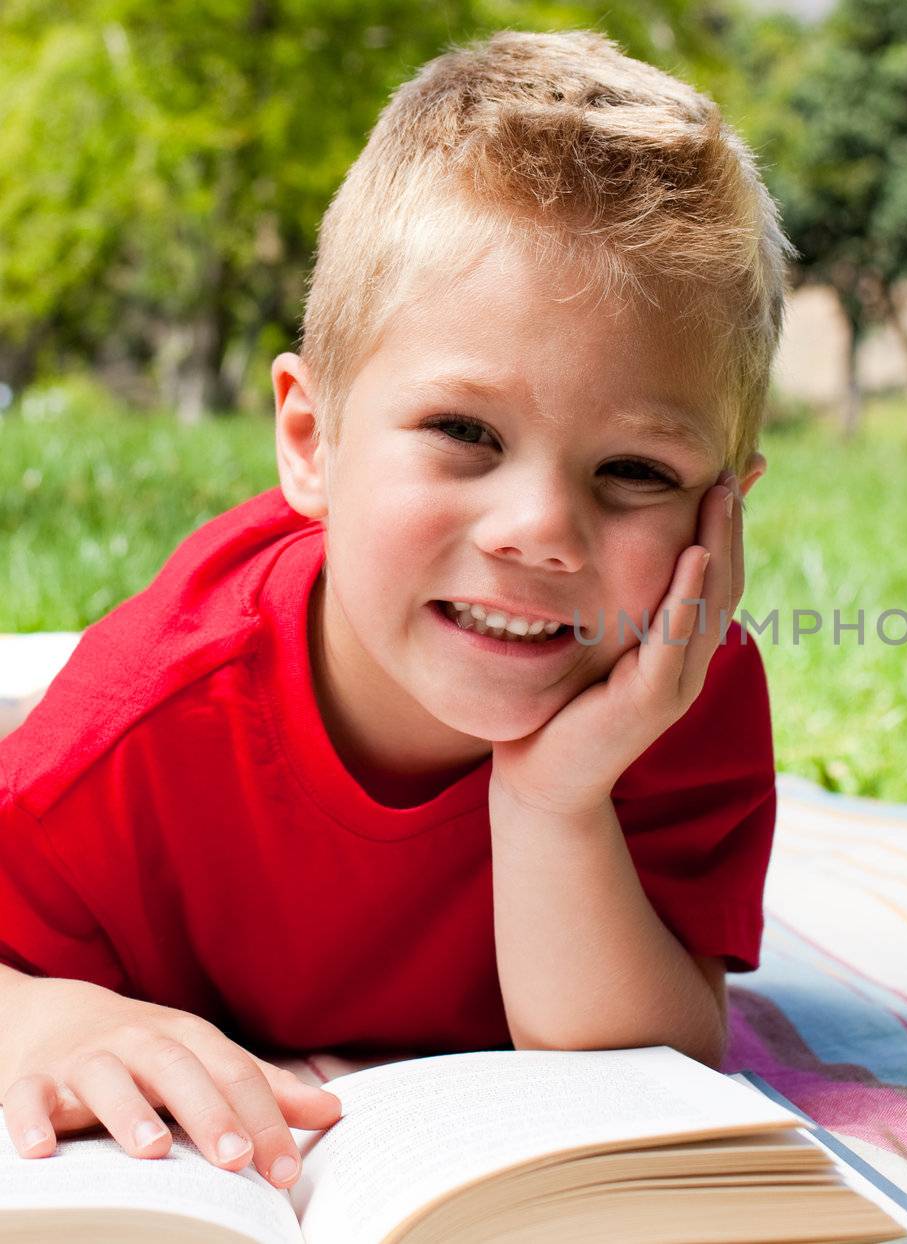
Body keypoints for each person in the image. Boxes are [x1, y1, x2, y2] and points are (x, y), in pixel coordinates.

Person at [0, 29, 791, 1194]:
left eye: (636, 471)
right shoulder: (138, 725)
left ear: (719, 513)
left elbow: (646, 1077)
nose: (540, 527)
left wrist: (551, 801)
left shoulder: (682, 697)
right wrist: (43, 1023)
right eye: (465, 433)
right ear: (310, 441)